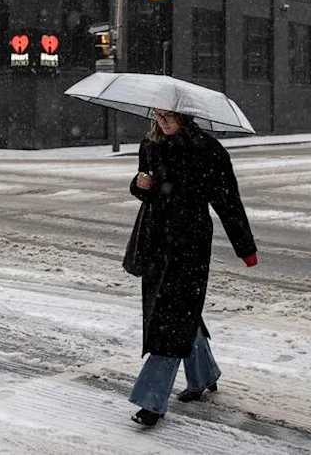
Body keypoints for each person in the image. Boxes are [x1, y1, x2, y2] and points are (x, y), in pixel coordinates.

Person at [125, 108, 258, 428]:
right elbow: (145, 188)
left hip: (190, 242)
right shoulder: (151, 143)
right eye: (158, 116)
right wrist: (139, 184)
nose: (163, 123)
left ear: (185, 116)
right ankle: (204, 374)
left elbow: (228, 200)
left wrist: (245, 246)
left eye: (169, 117)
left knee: (170, 318)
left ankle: (151, 401)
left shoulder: (208, 150)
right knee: (176, 311)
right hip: (155, 239)